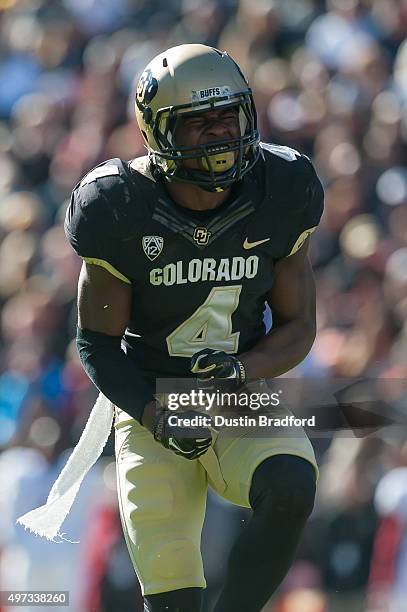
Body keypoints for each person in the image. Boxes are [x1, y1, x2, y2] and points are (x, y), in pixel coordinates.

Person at [64, 44, 324, 612]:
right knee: (173, 595)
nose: (219, 135)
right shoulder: (118, 206)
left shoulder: (280, 188)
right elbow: (98, 344)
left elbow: (299, 325)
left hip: (237, 395)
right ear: (158, 133)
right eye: (198, 123)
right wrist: (157, 415)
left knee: (291, 486)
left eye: (227, 116)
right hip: (149, 398)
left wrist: (242, 370)